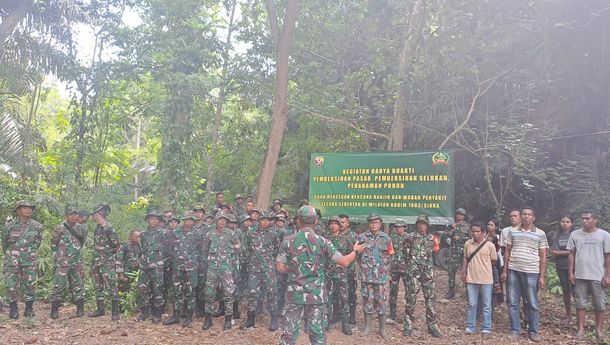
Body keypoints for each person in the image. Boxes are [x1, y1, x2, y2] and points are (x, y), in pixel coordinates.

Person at [276, 205, 365, 345]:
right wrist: (355, 251)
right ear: (316, 221)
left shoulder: (288, 240)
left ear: (298, 220)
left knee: (288, 335)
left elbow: (280, 267)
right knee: (317, 334)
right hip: (316, 295)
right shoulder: (323, 241)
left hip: (295, 295)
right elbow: (344, 261)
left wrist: (296, 269)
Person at [500, 207, 548, 342]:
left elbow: (543, 256)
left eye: (529, 214)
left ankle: (533, 331)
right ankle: (515, 330)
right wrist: (505, 271)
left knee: (532, 303)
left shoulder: (540, 234)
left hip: (532, 271)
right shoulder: (512, 232)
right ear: (521, 216)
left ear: (534, 217)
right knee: (512, 302)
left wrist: (542, 276)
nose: (526, 216)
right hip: (514, 270)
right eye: (524, 214)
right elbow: (507, 252)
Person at [567, 211, 610, 341]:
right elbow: (571, 254)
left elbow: (608, 255)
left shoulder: (604, 235)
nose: (584, 221)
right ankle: (580, 329)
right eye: (583, 219)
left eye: (588, 218)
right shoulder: (575, 234)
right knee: (580, 303)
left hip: (598, 275)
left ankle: (599, 330)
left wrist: (608, 275)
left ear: (595, 220)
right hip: (580, 275)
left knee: (599, 304)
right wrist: (570, 272)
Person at [402, 215, 442, 338]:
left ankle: (432, 326)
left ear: (427, 225)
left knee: (430, 300)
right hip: (413, 273)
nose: (421, 226)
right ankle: (408, 326)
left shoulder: (433, 238)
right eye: (419, 223)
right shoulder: (409, 237)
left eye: (424, 223)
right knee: (411, 300)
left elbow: (436, 253)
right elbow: (405, 254)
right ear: (416, 225)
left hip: (427, 273)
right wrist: (411, 267)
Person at [3, 201, 43, 319]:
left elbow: (38, 242)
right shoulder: (9, 226)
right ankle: (13, 309)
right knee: (11, 284)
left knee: (30, 283)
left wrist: (29, 253)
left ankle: (29, 308)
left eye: (30, 208)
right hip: (12, 259)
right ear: (18, 211)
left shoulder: (37, 226)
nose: (28, 210)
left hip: (29, 259)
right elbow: (4, 243)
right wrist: (12, 254)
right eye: (25, 208)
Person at [241, 211, 280, 330]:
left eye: (268, 220)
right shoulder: (250, 233)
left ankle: (274, 320)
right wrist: (250, 260)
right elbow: (246, 248)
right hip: (254, 269)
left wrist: (270, 261)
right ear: (258, 220)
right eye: (263, 219)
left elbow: (277, 250)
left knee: (272, 293)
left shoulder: (273, 234)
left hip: (268, 269)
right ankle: (250, 320)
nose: (265, 222)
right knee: (252, 293)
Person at [357, 214, 394, 338]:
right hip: (367, 277)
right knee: (367, 300)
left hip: (381, 277)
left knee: (382, 302)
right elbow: (357, 255)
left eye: (376, 222)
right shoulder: (361, 238)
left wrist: (385, 271)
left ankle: (382, 329)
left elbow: (390, 255)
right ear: (369, 223)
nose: (373, 224)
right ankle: (367, 327)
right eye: (371, 222)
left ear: (380, 223)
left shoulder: (387, 238)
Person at [202, 213, 241, 330]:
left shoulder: (231, 234)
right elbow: (204, 250)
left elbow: (238, 249)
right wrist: (210, 262)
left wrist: (230, 259)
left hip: (226, 269)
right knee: (209, 294)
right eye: (220, 219)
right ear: (216, 221)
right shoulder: (210, 234)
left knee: (228, 294)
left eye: (224, 220)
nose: (222, 222)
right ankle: (208, 319)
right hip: (212, 269)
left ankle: (228, 319)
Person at [163, 211, 201, 327]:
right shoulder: (175, 233)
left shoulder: (197, 233)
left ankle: (189, 317)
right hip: (177, 266)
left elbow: (201, 249)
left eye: (191, 220)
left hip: (191, 267)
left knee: (190, 292)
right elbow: (169, 247)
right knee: (177, 291)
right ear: (184, 220)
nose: (189, 222)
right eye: (187, 219)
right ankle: (176, 316)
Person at [50, 206, 87, 319]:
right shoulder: (59, 228)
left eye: (75, 214)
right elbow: (53, 244)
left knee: (78, 284)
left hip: (77, 261)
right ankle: (54, 310)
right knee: (59, 285)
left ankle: (80, 309)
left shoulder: (82, 228)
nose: (73, 216)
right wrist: (58, 257)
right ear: (66, 215)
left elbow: (82, 242)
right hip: (63, 262)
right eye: (71, 214)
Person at [461, 222, 497, 335]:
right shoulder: (468, 243)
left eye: (478, 231)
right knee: (472, 304)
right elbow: (466, 258)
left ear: (483, 232)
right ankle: (471, 326)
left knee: (486, 305)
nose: (475, 233)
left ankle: (486, 327)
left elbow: (494, 261)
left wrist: (483, 267)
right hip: (471, 279)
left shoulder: (490, 245)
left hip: (486, 279)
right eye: (473, 231)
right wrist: (463, 273)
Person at [88, 204, 121, 320]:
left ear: (98, 214)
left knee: (112, 285)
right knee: (98, 285)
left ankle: (115, 312)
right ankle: (100, 310)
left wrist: (106, 254)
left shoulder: (109, 228)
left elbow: (116, 246)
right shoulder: (98, 227)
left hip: (107, 262)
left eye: (93, 214)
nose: (92, 217)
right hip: (96, 261)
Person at [323, 216, 354, 335]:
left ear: (339, 225)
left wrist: (348, 270)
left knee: (343, 298)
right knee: (327, 299)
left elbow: (351, 255)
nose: (333, 226)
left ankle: (345, 324)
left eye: (335, 223)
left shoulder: (345, 239)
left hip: (341, 274)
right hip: (328, 273)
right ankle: (325, 323)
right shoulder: (324, 239)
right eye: (331, 223)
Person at [138, 210, 167, 323]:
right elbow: (141, 249)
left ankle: (157, 314)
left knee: (157, 289)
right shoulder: (143, 234)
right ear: (147, 220)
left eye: (155, 219)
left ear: (158, 221)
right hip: (144, 264)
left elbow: (168, 249)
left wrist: (162, 261)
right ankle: (145, 313)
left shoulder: (163, 233)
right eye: (151, 218)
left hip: (157, 266)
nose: (153, 221)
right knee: (142, 287)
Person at [441, 208, 471, 299]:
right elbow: (444, 236)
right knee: (451, 272)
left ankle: (468, 291)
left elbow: (472, 238)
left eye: (461, 214)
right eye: (458, 214)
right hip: (453, 252)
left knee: (466, 272)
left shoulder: (468, 227)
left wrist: (461, 238)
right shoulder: (451, 225)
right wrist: (451, 229)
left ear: (464, 216)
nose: (459, 216)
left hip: (464, 252)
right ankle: (451, 291)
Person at [551, 215, 573, 325]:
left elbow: (578, 250)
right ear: (560, 223)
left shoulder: (574, 235)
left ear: (571, 224)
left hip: (575, 267)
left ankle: (579, 316)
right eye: (563, 221)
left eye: (567, 221)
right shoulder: (557, 236)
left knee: (577, 291)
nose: (565, 223)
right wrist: (570, 252)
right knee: (566, 291)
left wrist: (561, 252)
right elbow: (554, 252)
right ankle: (568, 315)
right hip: (561, 266)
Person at [388, 219, 409, 324]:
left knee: (409, 292)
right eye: (397, 227)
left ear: (405, 227)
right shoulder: (391, 238)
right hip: (394, 269)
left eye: (400, 227)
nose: (398, 229)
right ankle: (392, 314)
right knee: (393, 292)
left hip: (406, 269)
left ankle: (409, 314)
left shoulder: (409, 238)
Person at [338, 214, 358, 324]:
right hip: (337, 269)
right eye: (340, 222)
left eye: (343, 222)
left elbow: (357, 253)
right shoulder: (334, 235)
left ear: (348, 223)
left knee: (351, 292)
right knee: (337, 293)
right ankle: (337, 314)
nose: (341, 224)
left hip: (350, 269)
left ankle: (352, 315)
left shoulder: (354, 236)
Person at [117, 230, 142, 294]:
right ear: (130, 236)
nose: (138, 239)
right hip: (126, 273)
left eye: (139, 237)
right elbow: (119, 260)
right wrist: (121, 274)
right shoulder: (124, 246)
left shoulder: (139, 246)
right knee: (123, 291)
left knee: (134, 291)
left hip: (136, 273)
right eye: (136, 237)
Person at [486, 218, 503, 307]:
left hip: (496, 261)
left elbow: (498, 249)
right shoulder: (484, 236)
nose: (489, 226)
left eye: (492, 225)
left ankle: (497, 301)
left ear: (496, 227)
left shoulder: (499, 237)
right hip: (485, 260)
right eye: (488, 224)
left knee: (497, 281)